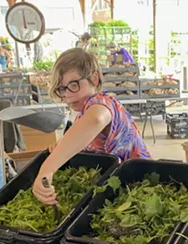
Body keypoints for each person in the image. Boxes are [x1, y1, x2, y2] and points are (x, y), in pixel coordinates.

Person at [32, 48, 150, 205]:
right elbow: (85, 137)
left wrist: (47, 169)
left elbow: (96, 119)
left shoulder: (102, 103)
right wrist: (61, 147)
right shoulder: (82, 114)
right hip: (113, 190)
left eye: (73, 85)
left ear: (94, 78)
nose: (68, 94)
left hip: (140, 187)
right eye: (62, 88)